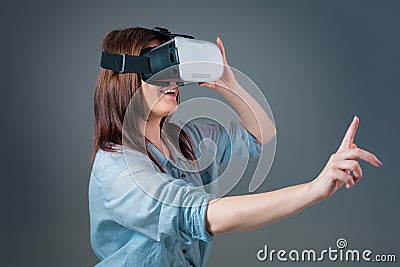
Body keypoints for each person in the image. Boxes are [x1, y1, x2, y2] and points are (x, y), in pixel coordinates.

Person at [88, 27, 383, 267]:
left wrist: (230, 85)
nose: (174, 81)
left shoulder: (185, 141)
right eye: (160, 69)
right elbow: (203, 216)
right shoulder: (117, 169)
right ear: (124, 80)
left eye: (175, 69)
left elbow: (261, 135)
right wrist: (314, 189)